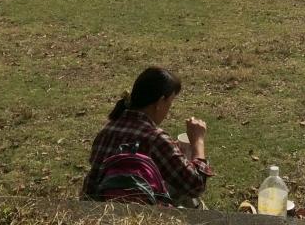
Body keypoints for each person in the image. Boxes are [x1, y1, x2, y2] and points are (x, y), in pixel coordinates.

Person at [81, 66, 212, 206]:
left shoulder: (106, 131)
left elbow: (94, 182)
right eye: (170, 102)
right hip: (140, 213)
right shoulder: (156, 138)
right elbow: (196, 186)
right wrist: (198, 141)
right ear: (160, 102)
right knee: (191, 200)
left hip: (99, 210)